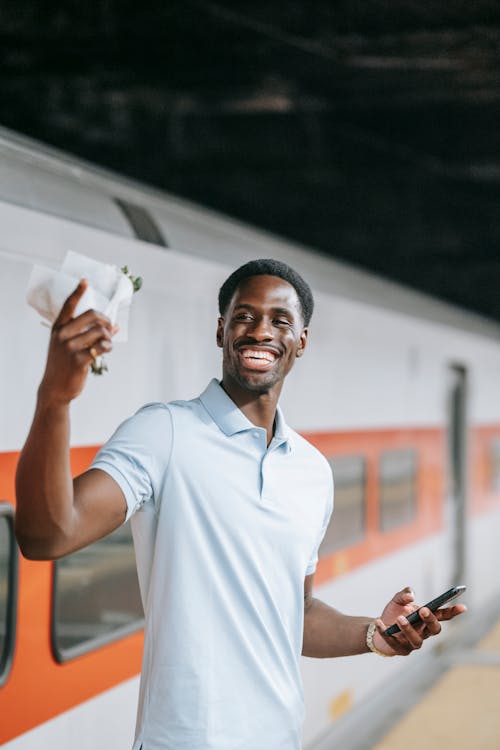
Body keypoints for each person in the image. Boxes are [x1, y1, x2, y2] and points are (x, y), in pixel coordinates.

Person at [15, 259, 466, 750]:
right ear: (221, 331)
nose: (260, 331)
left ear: (301, 341)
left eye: (280, 320)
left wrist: (374, 634)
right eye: (244, 316)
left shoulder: (312, 472)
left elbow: (298, 612)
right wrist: (54, 399)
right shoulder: (163, 432)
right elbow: (48, 535)